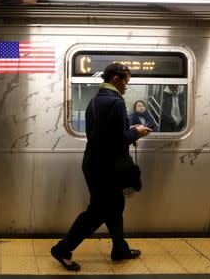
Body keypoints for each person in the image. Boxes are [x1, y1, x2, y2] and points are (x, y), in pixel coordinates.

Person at [51, 63, 151, 271]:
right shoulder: (116, 102)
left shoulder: (95, 101)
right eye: (126, 81)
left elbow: (102, 134)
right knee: (97, 212)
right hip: (107, 167)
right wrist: (137, 132)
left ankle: (119, 249)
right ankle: (62, 249)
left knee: (115, 207)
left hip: (95, 162)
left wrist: (128, 129)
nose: (126, 87)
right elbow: (119, 139)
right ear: (116, 79)